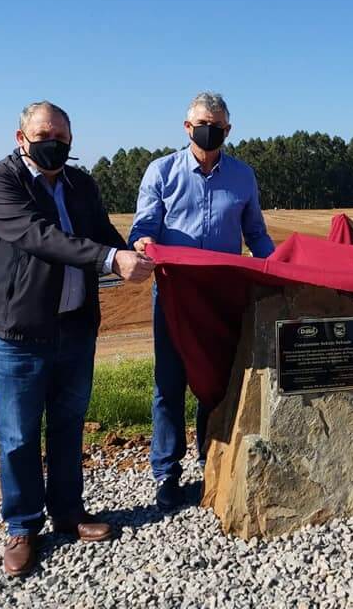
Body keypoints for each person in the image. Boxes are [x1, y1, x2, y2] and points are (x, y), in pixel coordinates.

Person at [0, 100, 154, 578]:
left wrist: (129, 248)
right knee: (17, 435)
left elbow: (100, 233)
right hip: (20, 333)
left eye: (61, 137)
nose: (52, 143)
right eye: (43, 134)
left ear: (72, 142)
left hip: (75, 327)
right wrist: (112, 261)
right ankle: (22, 526)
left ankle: (69, 513)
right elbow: (39, 237)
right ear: (21, 138)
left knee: (68, 426)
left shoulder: (80, 184)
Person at [130, 91, 275, 512]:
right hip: (176, 293)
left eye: (218, 125)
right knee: (169, 383)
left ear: (228, 130)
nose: (209, 131)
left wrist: (278, 268)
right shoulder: (162, 172)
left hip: (224, 294)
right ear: (187, 126)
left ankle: (211, 457)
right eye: (201, 123)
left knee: (215, 381)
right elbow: (144, 225)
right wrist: (142, 241)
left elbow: (257, 234)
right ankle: (167, 474)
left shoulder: (243, 176)